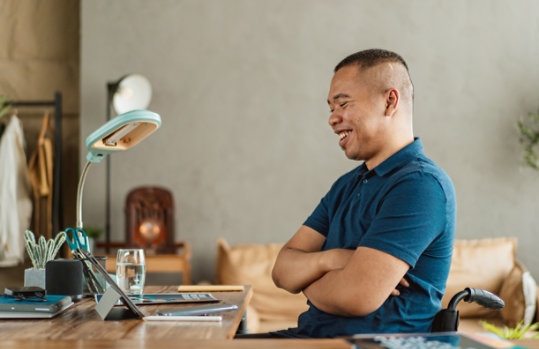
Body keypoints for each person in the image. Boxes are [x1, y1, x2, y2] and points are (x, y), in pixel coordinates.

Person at [267, 49, 456, 338]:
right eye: (331, 108)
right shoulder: (347, 185)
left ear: (390, 101)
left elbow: (355, 297)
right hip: (310, 339)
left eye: (343, 104)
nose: (332, 119)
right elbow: (281, 271)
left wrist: (305, 277)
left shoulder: (420, 185)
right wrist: (330, 260)